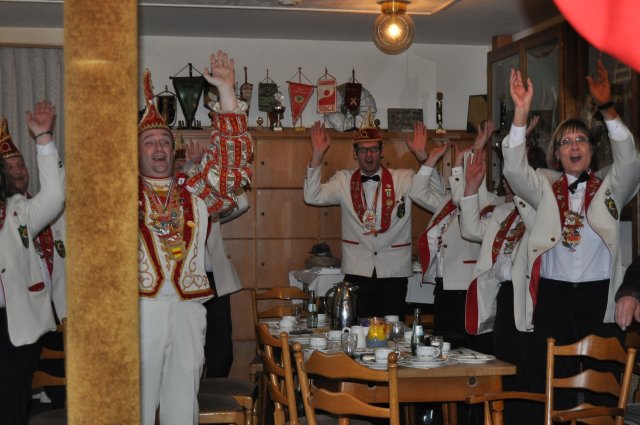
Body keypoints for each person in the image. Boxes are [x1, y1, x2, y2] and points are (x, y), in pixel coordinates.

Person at [502, 59, 640, 410]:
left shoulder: (610, 186)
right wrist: (521, 113)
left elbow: (630, 161)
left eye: (580, 139)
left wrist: (607, 107)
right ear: (557, 153)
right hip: (554, 297)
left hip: (599, 295)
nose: (574, 146)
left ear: (592, 150)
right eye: (565, 141)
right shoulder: (544, 186)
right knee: (555, 386)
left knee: (603, 385)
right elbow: (514, 170)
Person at [137, 50, 252, 425]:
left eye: (164, 141)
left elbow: (231, 166)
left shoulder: (195, 188)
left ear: (173, 150)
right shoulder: (118, 193)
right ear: (136, 151)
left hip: (189, 307)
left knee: (183, 400)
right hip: (139, 308)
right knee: (135, 402)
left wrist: (227, 92)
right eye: (150, 141)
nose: (159, 147)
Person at [303, 119, 447, 319]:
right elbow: (312, 196)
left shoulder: (404, 179)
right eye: (363, 150)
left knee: (392, 331)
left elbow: (440, 200)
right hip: (357, 271)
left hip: (394, 273)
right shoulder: (343, 180)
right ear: (355, 154)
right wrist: (317, 154)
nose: (369, 155)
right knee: (357, 331)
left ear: (382, 151)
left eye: (373, 149)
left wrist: (423, 156)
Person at [459, 148, 539, 425]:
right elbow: (470, 229)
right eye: (505, 176)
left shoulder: (544, 209)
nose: (506, 181)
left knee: (529, 374)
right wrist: (471, 186)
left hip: (530, 299)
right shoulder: (504, 211)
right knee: (506, 371)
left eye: (512, 175)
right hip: (504, 298)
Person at [0, 103, 65, 425]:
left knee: (10, 406)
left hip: (15, 326)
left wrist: (43, 138)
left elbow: (54, 196)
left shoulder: (18, 210)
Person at [416, 121, 498, 354]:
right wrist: (429, 158)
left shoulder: (491, 203)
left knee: (471, 353)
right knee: (444, 352)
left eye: (475, 163)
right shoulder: (447, 201)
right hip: (444, 289)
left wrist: (474, 152)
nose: (459, 173)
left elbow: (468, 200)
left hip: (466, 289)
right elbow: (417, 191)